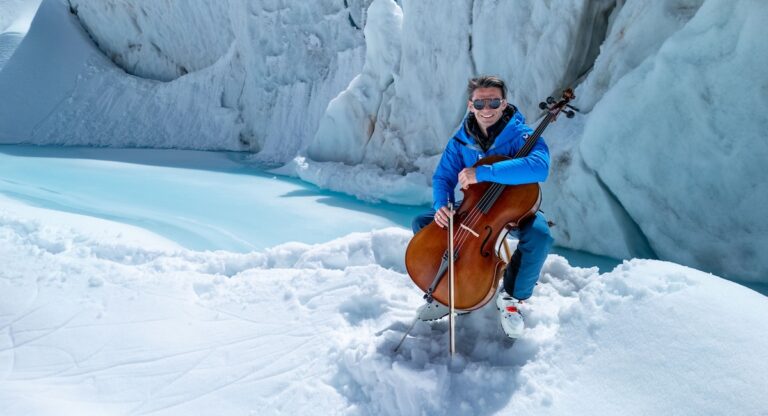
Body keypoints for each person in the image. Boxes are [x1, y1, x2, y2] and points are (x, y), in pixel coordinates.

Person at [411, 75, 554, 339]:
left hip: (513, 208)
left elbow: (539, 167)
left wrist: (485, 172)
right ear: (470, 105)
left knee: (540, 235)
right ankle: (447, 291)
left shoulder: (522, 135)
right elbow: (443, 177)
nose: (486, 109)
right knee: (425, 224)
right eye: (480, 103)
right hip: (474, 209)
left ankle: (511, 296)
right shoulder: (461, 140)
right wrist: (442, 205)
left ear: (503, 104)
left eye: (493, 102)